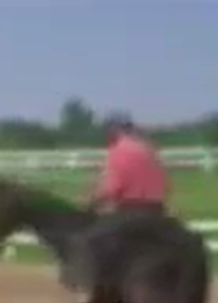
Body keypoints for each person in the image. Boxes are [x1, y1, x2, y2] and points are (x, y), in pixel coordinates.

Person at [62, 113, 174, 291]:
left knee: (85, 239)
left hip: (130, 211)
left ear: (114, 130)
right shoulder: (150, 149)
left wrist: (91, 200)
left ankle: (91, 287)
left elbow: (113, 188)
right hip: (158, 210)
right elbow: (166, 184)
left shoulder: (117, 151)